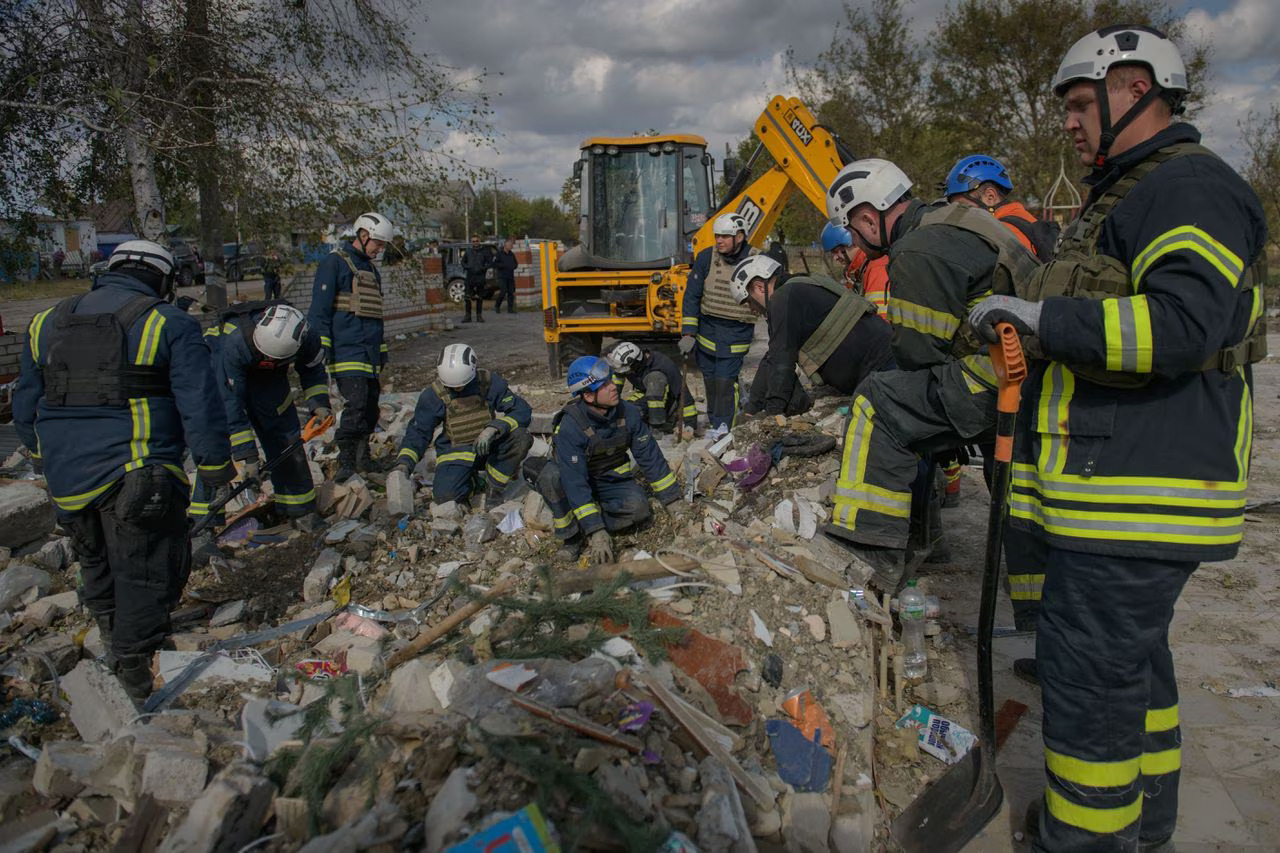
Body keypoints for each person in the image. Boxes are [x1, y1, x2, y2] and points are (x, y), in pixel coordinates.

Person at [968, 25, 1266, 851]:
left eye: (1075, 103)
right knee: (1137, 673)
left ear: (1133, 86)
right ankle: (1149, 821)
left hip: (1133, 492)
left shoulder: (1187, 189)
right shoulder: (1132, 192)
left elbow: (1181, 324)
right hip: (1117, 488)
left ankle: (1084, 837)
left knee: (1090, 683)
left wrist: (1044, 317)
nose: (1068, 122)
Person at [12, 240, 233, 702]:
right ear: (163, 279)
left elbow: (26, 404)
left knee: (97, 562)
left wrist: (39, 457)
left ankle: (114, 647)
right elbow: (201, 403)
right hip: (137, 470)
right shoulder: (167, 322)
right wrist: (214, 467)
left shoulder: (43, 323)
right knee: (148, 570)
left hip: (67, 478)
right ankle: (136, 678)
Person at [822, 158, 1040, 591]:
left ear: (868, 217)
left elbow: (917, 356)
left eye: (853, 228)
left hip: (997, 374)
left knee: (878, 404)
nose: (859, 244)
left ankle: (870, 552)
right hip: (1032, 370)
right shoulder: (959, 218)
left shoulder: (916, 250)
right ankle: (1035, 604)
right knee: (1017, 492)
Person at [190, 303, 330, 544]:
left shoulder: (307, 337)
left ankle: (299, 509)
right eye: (265, 356)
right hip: (220, 369)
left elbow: (313, 368)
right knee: (216, 445)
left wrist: (318, 403)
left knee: (286, 439)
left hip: (269, 377)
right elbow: (230, 406)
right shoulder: (233, 343)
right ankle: (203, 525)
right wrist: (248, 457)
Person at [536, 356, 685, 563]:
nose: (613, 386)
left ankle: (590, 519)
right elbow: (575, 482)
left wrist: (672, 501)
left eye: (610, 380)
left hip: (608, 478)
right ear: (588, 396)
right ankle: (572, 537)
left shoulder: (629, 414)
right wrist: (596, 532)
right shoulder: (571, 426)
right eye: (604, 385)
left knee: (640, 510)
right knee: (551, 478)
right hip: (575, 478)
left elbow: (651, 458)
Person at [730, 255, 894, 417]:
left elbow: (782, 360)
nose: (752, 309)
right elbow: (773, 356)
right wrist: (752, 408)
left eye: (749, 301)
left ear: (760, 287)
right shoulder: (800, 286)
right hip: (883, 362)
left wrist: (773, 413)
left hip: (881, 370)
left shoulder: (781, 299)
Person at [393, 343, 533, 509]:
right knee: (445, 499)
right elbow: (418, 433)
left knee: (521, 437)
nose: (457, 389)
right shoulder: (433, 395)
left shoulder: (487, 382)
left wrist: (494, 428)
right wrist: (404, 464)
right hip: (456, 452)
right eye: (452, 387)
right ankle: (473, 482)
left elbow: (522, 410)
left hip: (489, 446)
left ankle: (494, 487)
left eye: (461, 385)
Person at [308, 212, 392, 483]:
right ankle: (345, 461)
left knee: (369, 407)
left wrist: (381, 352)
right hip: (347, 350)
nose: (380, 249)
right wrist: (323, 349)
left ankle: (362, 457)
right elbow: (319, 312)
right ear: (363, 235)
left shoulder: (371, 270)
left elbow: (375, 317)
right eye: (378, 243)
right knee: (355, 404)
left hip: (369, 353)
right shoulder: (334, 264)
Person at [679, 212, 757, 434]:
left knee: (725, 383)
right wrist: (688, 333)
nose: (719, 241)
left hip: (736, 333)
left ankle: (725, 428)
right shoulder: (705, 258)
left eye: (725, 236)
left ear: (739, 237)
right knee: (711, 383)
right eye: (717, 236)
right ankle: (716, 424)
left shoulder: (754, 260)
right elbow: (692, 296)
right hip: (707, 333)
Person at [943, 154, 1060, 261]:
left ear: (990, 196)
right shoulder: (1022, 219)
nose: (959, 214)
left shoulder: (1003, 233)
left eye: (963, 207)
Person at [604, 341, 698, 433]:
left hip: (668, 402)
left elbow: (683, 394)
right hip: (645, 394)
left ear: (636, 364)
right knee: (630, 412)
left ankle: (658, 426)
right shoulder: (626, 364)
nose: (627, 373)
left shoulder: (664, 365)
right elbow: (616, 383)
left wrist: (690, 424)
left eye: (627, 371)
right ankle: (645, 421)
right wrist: (609, 406)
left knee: (655, 379)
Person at [461, 235, 492, 323]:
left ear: (479, 241)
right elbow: (463, 262)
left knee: (479, 297)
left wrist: (483, 268)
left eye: (476, 241)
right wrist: (468, 267)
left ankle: (479, 316)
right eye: (473, 241)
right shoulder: (468, 251)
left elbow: (490, 263)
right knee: (467, 297)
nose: (475, 242)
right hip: (470, 277)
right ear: (472, 242)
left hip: (480, 277)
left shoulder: (484, 251)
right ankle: (468, 316)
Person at [493, 237, 518, 314]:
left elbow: (516, 263)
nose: (511, 246)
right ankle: (497, 306)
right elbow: (494, 264)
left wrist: (513, 266)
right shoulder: (499, 254)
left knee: (511, 292)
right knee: (503, 292)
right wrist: (503, 265)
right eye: (510, 245)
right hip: (502, 276)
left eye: (511, 245)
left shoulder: (511, 254)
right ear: (505, 245)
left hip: (510, 276)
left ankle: (510, 309)